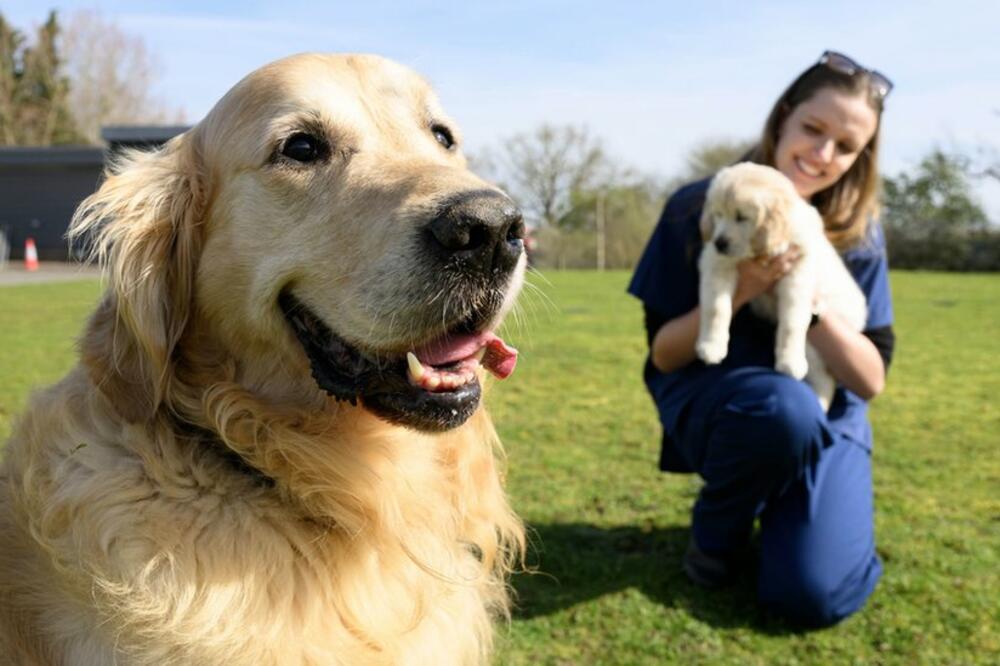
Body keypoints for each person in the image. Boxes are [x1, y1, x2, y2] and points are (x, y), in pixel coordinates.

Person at [628, 51, 895, 627]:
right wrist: (746, 284)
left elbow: (871, 379)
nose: (823, 155)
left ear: (860, 157)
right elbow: (664, 353)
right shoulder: (700, 206)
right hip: (729, 399)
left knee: (811, 595)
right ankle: (717, 532)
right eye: (813, 130)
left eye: (845, 147)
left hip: (830, 405)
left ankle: (789, 505)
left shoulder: (859, 233)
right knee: (781, 408)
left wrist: (811, 306)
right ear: (783, 118)